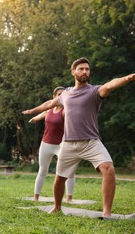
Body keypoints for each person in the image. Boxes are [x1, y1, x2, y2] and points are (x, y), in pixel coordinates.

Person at [23, 57, 135, 218]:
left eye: (87, 69)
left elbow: (110, 84)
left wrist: (129, 78)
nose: (84, 72)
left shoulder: (95, 91)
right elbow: (49, 104)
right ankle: (57, 207)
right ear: (73, 72)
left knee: (108, 169)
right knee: (59, 178)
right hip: (68, 143)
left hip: (91, 142)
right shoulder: (66, 93)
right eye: (81, 69)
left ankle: (107, 213)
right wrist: (33, 111)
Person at [28, 87, 75, 203]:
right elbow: (41, 115)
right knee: (42, 170)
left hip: (61, 145)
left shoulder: (66, 110)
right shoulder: (49, 109)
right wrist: (33, 118)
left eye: (63, 94)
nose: (61, 96)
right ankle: (36, 197)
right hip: (46, 144)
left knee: (69, 172)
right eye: (59, 94)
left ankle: (69, 198)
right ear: (54, 96)